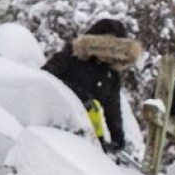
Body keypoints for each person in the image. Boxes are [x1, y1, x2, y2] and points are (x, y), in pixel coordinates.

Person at [42, 18, 140, 153]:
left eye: (116, 53)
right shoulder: (71, 57)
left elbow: (113, 107)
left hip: (87, 134)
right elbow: (45, 77)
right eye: (107, 51)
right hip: (56, 125)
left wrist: (117, 137)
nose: (109, 57)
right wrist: (80, 97)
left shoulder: (111, 74)